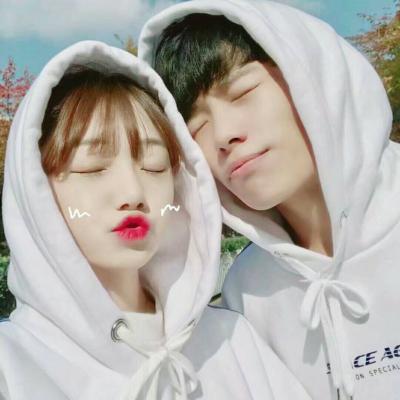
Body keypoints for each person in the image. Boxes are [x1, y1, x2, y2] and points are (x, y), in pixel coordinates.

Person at [0, 40, 312, 400]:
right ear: (35, 190)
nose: (133, 192)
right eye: (93, 168)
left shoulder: (231, 341)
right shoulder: (13, 367)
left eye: (154, 166)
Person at [138, 0, 400, 399]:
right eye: (196, 126)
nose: (223, 135)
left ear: (312, 72)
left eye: (242, 92)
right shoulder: (247, 292)